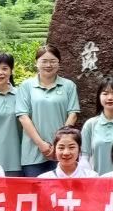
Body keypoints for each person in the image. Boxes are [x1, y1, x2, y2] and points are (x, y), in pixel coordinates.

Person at [15, 45, 80, 177]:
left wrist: (59, 143)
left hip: (62, 151)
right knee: (36, 188)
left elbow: (73, 114)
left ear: (59, 63)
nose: (48, 65)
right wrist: (41, 144)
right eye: (44, 61)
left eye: (53, 61)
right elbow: (23, 117)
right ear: (36, 63)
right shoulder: (26, 86)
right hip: (33, 151)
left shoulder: (69, 86)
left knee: (62, 188)